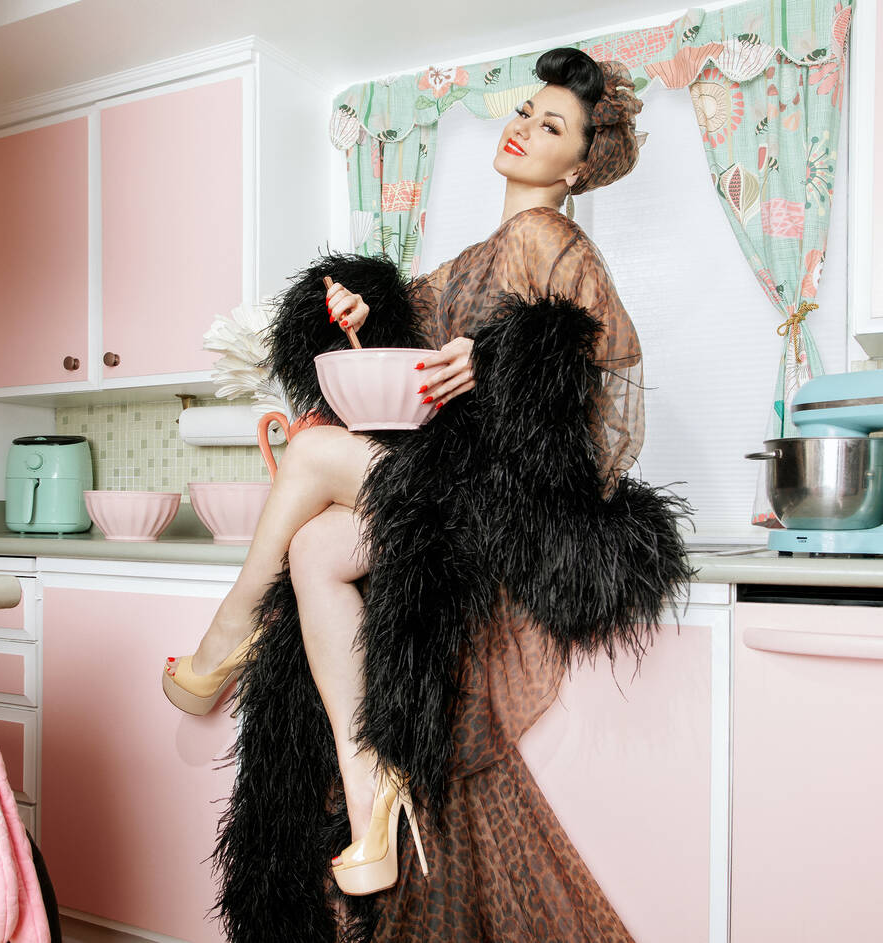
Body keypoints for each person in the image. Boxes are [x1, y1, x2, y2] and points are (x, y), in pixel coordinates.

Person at [163, 47, 691, 941]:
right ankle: (373, 800)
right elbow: (413, 350)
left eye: (552, 127)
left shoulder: (550, 238)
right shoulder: (479, 257)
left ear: (578, 169)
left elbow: (603, 381)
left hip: (497, 506)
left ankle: (227, 635)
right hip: (448, 493)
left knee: (312, 451)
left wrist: (501, 362)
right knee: (315, 548)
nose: (524, 130)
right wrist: (365, 317)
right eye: (525, 112)